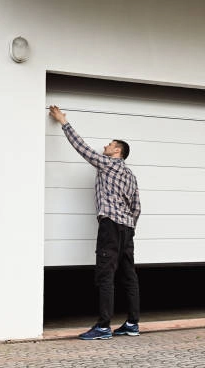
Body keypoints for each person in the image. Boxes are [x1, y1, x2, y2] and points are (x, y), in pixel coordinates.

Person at [49, 105, 142, 340]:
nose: (105, 147)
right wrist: (129, 226)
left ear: (118, 150)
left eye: (109, 145)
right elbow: (137, 206)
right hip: (127, 228)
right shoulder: (130, 174)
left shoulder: (107, 163)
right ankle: (132, 323)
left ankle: (103, 327)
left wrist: (63, 121)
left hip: (111, 226)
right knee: (128, 275)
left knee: (105, 275)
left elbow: (82, 148)